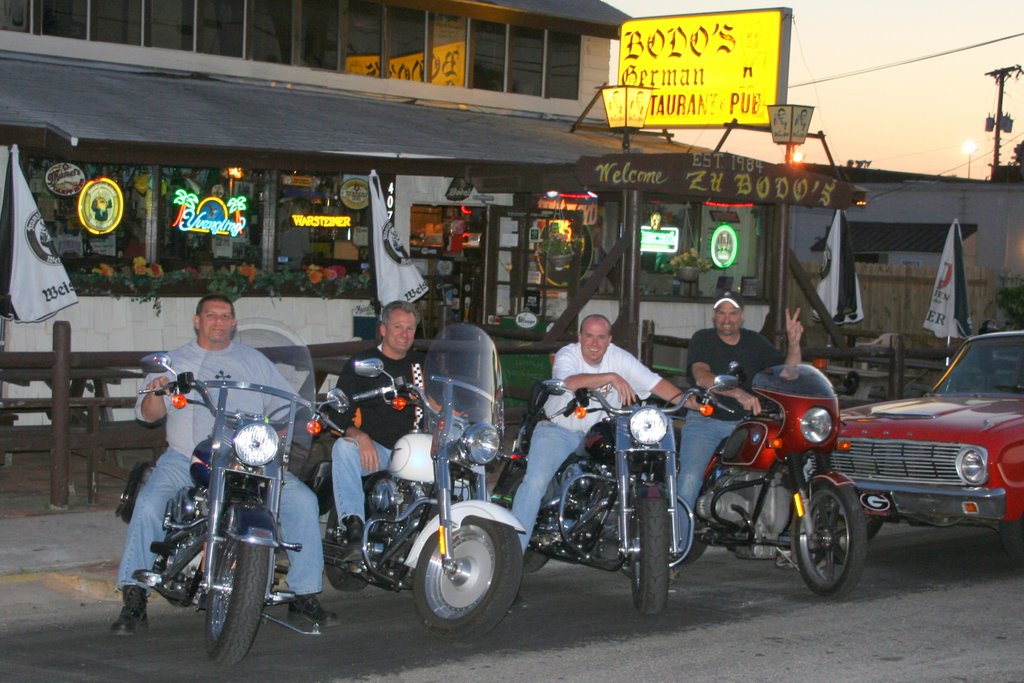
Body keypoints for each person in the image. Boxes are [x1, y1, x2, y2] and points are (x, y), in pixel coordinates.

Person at [111, 295, 334, 635]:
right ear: (196, 320)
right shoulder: (174, 361)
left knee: (303, 502)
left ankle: (304, 595)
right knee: (150, 503)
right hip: (187, 457)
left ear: (234, 323)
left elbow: (286, 405)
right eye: (211, 315)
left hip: (248, 459)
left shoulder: (254, 361)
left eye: (226, 315)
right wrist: (157, 392)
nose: (219, 320)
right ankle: (134, 596)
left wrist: (289, 422)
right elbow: (148, 415)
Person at [511, 313, 685, 551]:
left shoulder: (620, 357)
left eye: (601, 337)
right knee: (535, 483)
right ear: (580, 337)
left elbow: (655, 384)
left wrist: (692, 402)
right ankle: (513, 556)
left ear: (609, 339)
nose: (594, 343)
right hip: (559, 429)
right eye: (589, 336)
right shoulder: (568, 354)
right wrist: (612, 377)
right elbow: (569, 382)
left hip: (599, 431)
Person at [676, 291, 803, 526]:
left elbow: (788, 374)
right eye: (721, 313)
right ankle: (675, 547)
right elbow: (702, 376)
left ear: (741, 316)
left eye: (732, 313)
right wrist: (736, 392)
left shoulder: (755, 342)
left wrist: (794, 344)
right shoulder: (703, 338)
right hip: (707, 420)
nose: (727, 318)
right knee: (689, 480)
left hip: (746, 423)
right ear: (714, 316)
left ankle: (782, 533)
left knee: (780, 470)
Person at [330, 300, 425, 556]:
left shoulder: (421, 366)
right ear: (383, 329)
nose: (404, 334)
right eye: (398, 327)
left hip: (419, 451)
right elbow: (335, 411)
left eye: (410, 328)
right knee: (344, 448)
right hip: (380, 450)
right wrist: (359, 436)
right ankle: (353, 525)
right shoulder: (362, 363)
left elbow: (440, 402)